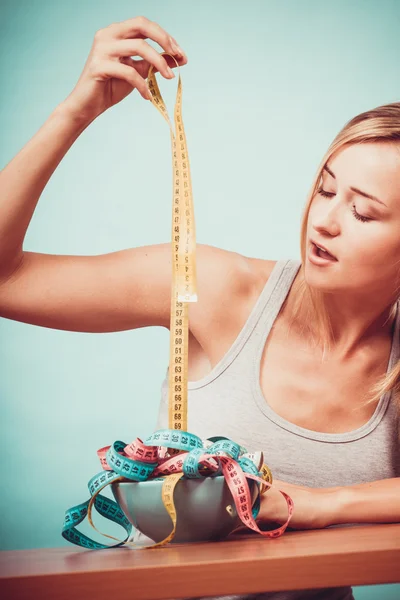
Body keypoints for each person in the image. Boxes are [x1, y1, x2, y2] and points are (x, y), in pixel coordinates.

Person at [0, 15, 399, 600]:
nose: (325, 219)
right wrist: (74, 113)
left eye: (363, 212)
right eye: (325, 187)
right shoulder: (213, 288)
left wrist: (315, 504)